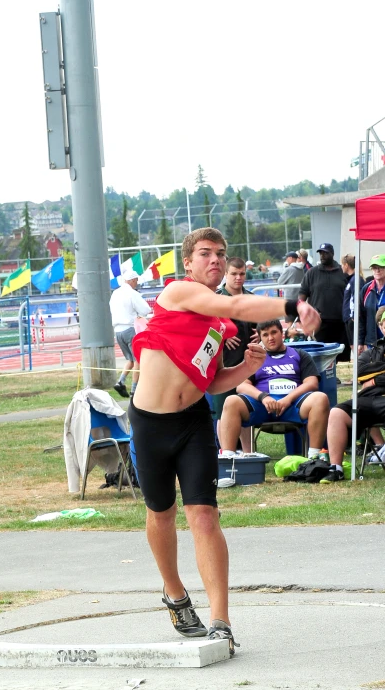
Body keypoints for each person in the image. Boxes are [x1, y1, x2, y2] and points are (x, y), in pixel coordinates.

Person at [128, 227, 321, 654]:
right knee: (161, 514)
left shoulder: (219, 326)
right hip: (150, 422)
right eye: (205, 254)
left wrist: (246, 366)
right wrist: (293, 304)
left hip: (193, 422)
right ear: (188, 263)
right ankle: (175, 594)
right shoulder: (178, 292)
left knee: (204, 516)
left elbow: (213, 383)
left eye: (220, 254)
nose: (214, 260)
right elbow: (234, 302)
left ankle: (221, 619)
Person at [219, 319, 330, 458]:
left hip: (294, 405)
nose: (270, 338)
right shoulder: (254, 358)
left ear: (281, 334)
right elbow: (241, 385)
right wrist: (264, 397)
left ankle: (314, 457)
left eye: (274, 333)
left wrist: (288, 399)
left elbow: (312, 383)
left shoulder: (299, 354)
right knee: (231, 401)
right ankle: (229, 458)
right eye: (265, 335)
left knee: (320, 398)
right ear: (260, 337)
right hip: (262, 406)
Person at [322, 308, 385, 482]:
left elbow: (368, 376)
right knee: (337, 412)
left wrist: (374, 380)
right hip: (367, 400)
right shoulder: (369, 353)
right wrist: (378, 378)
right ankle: (336, 468)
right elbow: (360, 373)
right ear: (381, 326)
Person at [213, 257, 258, 453]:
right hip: (224, 362)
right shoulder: (217, 299)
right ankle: (225, 451)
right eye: (234, 274)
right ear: (225, 274)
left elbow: (263, 323)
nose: (238, 278)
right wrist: (222, 337)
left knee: (244, 408)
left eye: (241, 274)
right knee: (223, 409)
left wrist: (260, 334)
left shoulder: (250, 298)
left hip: (247, 361)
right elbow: (206, 325)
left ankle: (248, 452)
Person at [298, 243, 349, 359]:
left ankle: (334, 377)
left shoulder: (342, 272)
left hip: (340, 321)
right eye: (321, 253)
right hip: (319, 322)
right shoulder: (312, 273)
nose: (322, 256)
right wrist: (300, 314)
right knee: (319, 353)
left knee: (339, 355)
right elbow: (302, 295)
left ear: (332, 254)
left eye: (325, 253)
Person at [109, 269, 151, 398]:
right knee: (138, 359)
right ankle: (134, 390)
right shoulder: (132, 294)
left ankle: (120, 381)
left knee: (130, 359)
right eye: (136, 281)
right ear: (132, 280)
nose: (137, 283)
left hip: (118, 332)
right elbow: (145, 310)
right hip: (130, 329)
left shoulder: (115, 293)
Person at [341, 254, 365, 356]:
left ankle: (361, 370)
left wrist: (354, 316)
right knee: (353, 349)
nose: (341, 267)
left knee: (358, 349)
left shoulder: (356, 280)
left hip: (352, 320)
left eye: (342, 264)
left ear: (346, 265)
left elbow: (357, 300)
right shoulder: (350, 280)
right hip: (348, 319)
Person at [359, 254, 385, 350]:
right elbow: (361, 317)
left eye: (381, 267)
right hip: (373, 342)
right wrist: (360, 342)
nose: (377, 270)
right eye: (374, 267)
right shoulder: (366, 289)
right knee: (375, 365)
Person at [277, 252, 304, 320]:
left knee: (290, 322)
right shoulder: (301, 269)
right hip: (299, 298)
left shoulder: (289, 269)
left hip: (289, 299)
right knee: (299, 321)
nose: (286, 260)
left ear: (291, 258)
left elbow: (279, 282)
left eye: (287, 258)